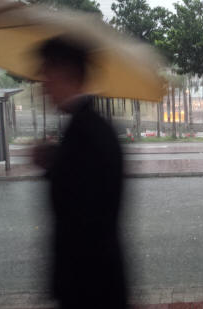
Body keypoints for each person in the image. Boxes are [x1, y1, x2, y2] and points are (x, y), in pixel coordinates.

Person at [33, 36, 127, 309]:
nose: (43, 85)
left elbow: (84, 212)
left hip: (90, 286)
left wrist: (54, 165)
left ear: (66, 74)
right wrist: (53, 163)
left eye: (47, 74)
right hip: (93, 282)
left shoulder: (86, 132)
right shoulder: (87, 127)